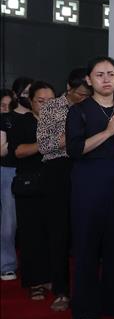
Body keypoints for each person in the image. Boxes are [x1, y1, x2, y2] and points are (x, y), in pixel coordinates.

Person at [66, 56, 114, 319]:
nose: (106, 79)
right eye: (100, 74)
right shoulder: (79, 110)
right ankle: (85, 308)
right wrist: (107, 132)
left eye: (111, 74)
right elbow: (75, 149)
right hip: (88, 185)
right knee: (87, 247)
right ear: (89, 80)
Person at [36, 68, 91, 311]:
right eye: (80, 94)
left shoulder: (91, 106)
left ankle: (86, 288)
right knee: (59, 232)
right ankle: (61, 290)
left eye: (86, 94)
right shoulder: (51, 107)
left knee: (85, 231)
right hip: (57, 169)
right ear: (69, 88)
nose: (83, 98)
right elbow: (43, 145)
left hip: (85, 167)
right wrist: (68, 139)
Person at [9, 81, 55, 300]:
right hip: (30, 187)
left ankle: (49, 277)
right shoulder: (23, 122)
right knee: (31, 235)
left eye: (50, 101)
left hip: (55, 185)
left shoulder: (59, 122)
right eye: (41, 101)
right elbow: (17, 151)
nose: (46, 105)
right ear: (31, 101)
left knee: (52, 234)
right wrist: (46, 144)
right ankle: (34, 281)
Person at [0, 89, 18, 281]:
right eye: (2, 105)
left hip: (12, 170)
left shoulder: (16, 120)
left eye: (8, 106)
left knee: (9, 222)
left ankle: (7, 265)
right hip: (5, 170)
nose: (5, 109)